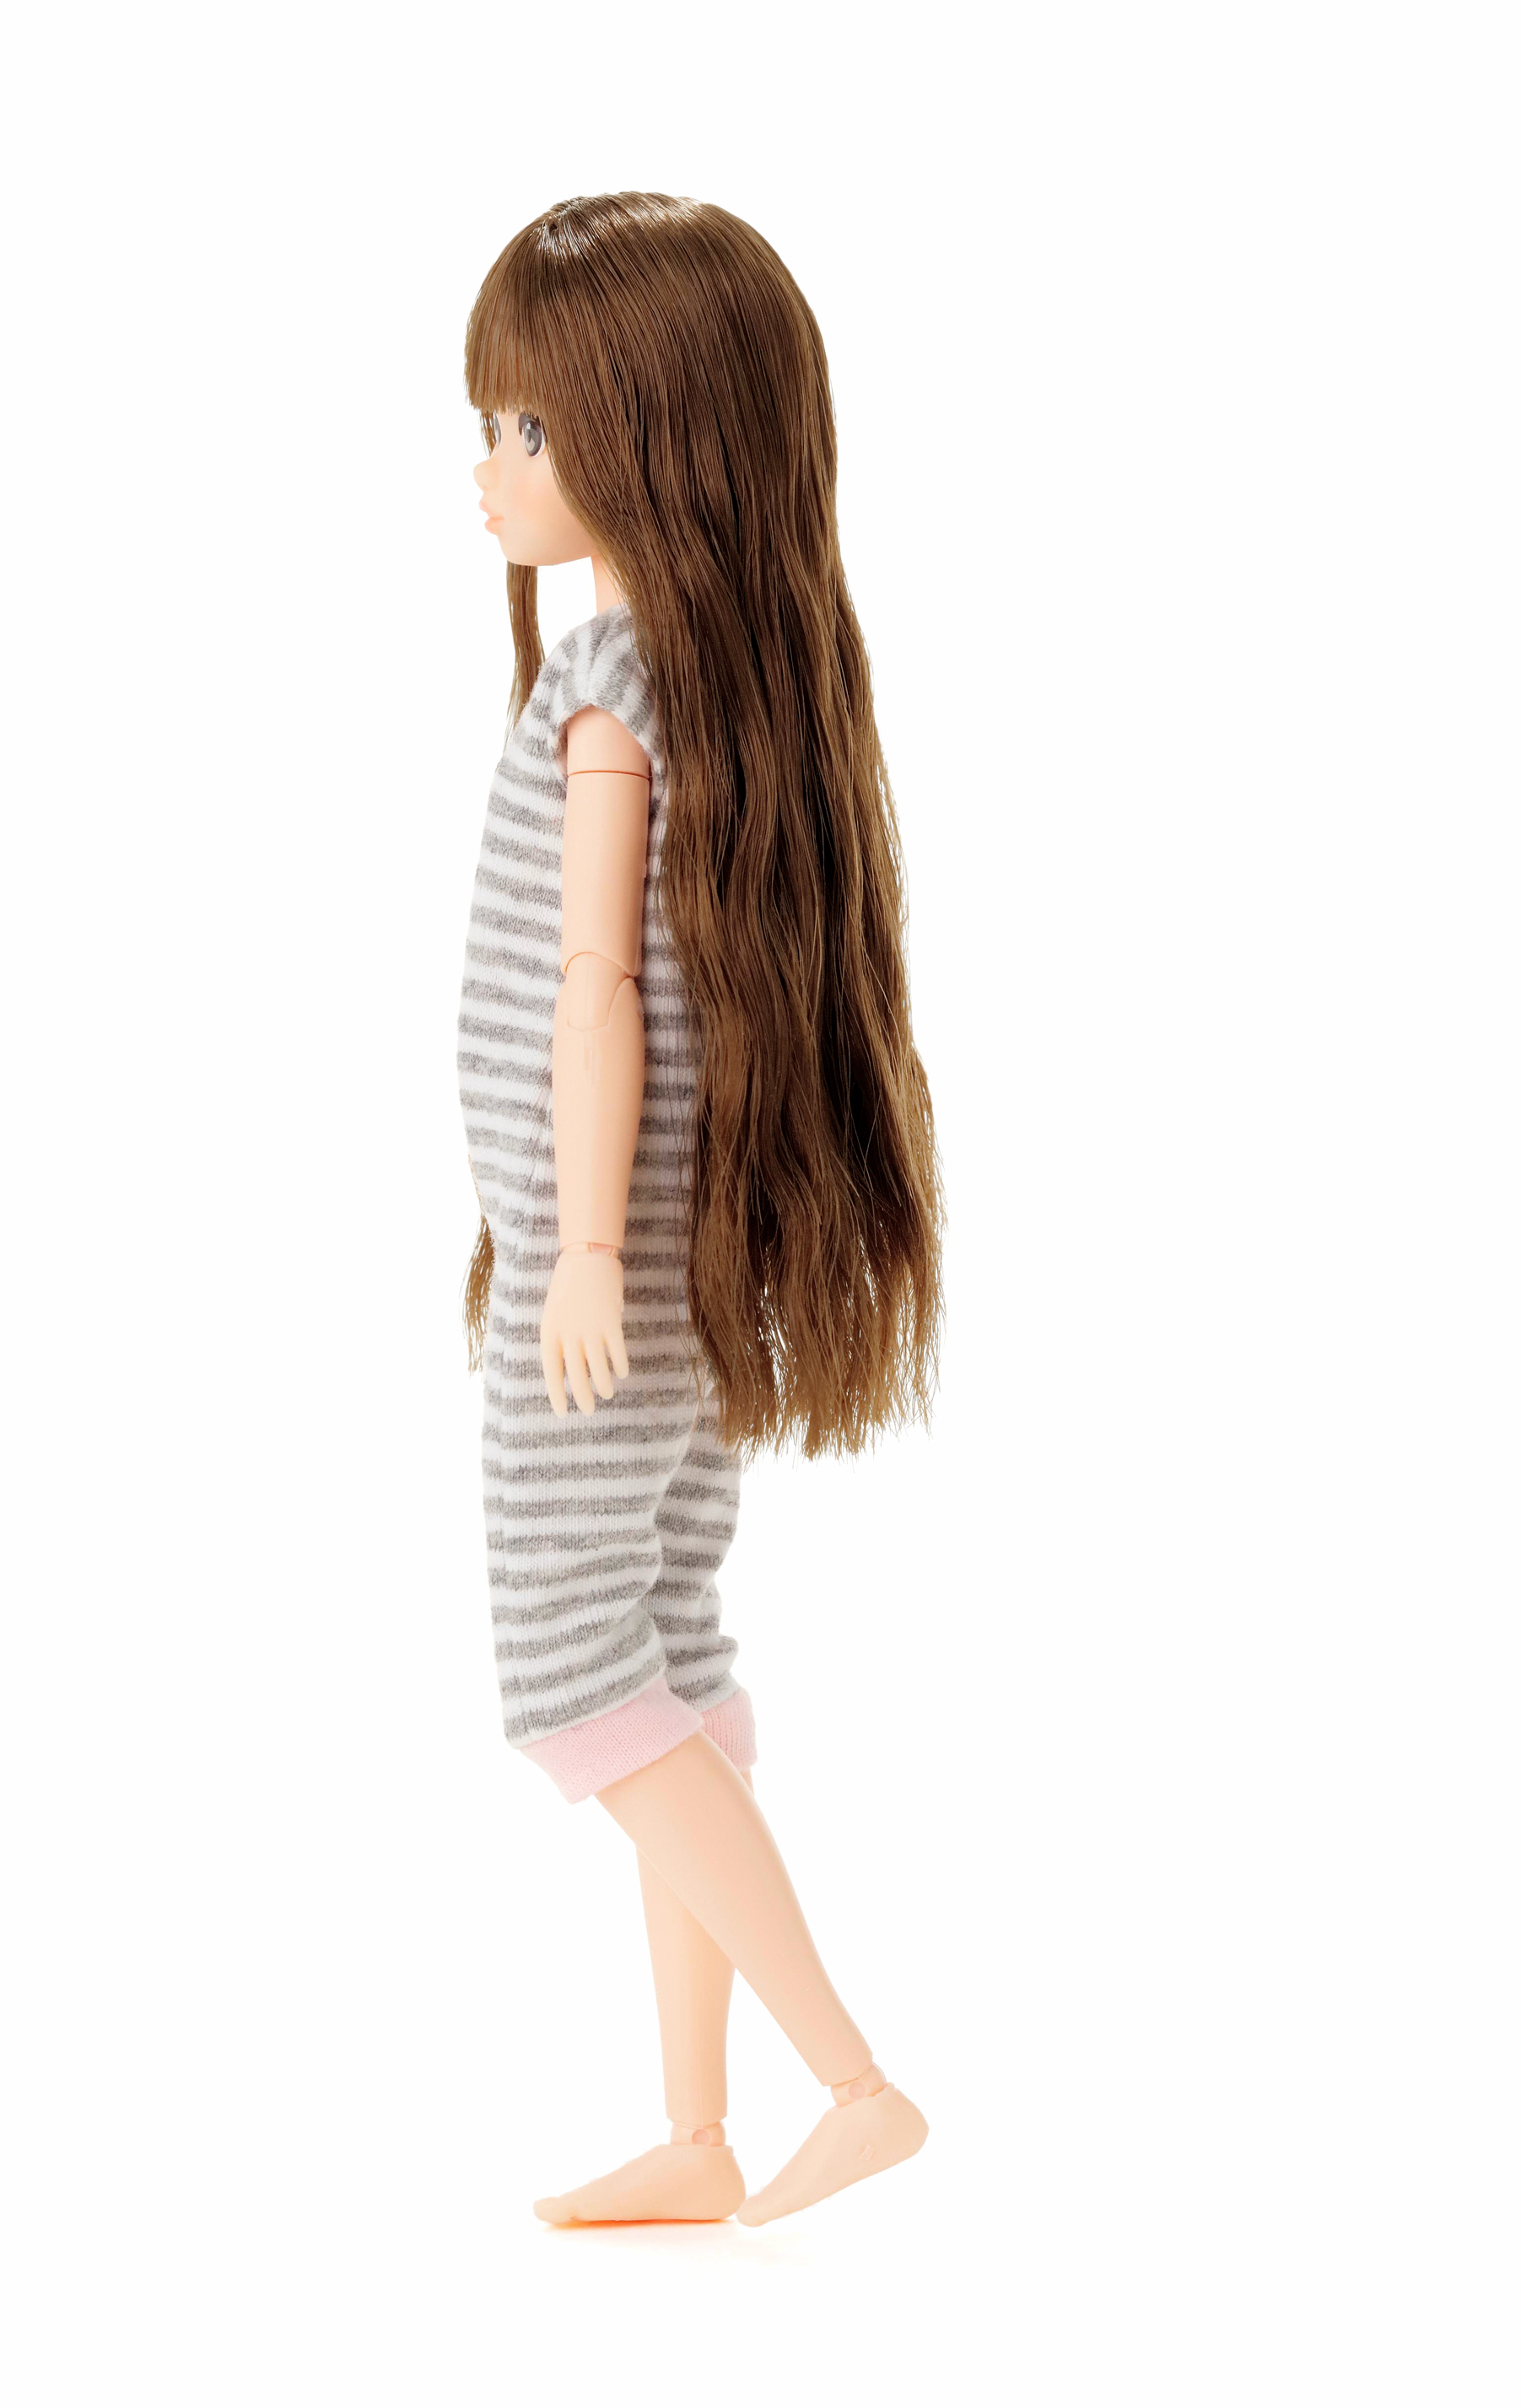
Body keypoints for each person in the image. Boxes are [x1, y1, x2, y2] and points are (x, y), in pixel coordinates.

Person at [456, 192, 944, 2227]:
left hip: (605, 1277)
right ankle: (694, 2129)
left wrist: (573, 1255)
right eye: (490, 425)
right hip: (675, 1268)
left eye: (528, 428)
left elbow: (597, 992)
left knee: (576, 1680)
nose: (490, 468)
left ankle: (852, 2078)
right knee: (660, 1649)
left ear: (652, 437)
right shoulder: (720, 678)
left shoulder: (610, 688)